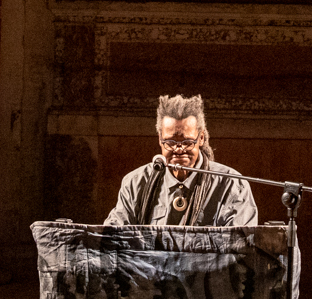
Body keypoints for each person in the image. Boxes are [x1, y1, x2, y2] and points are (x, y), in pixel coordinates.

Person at [104, 94, 259, 227]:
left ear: (201, 138)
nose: (178, 149)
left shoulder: (232, 184)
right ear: (160, 139)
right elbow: (114, 238)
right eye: (170, 142)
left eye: (187, 142)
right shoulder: (135, 183)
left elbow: (240, 246)